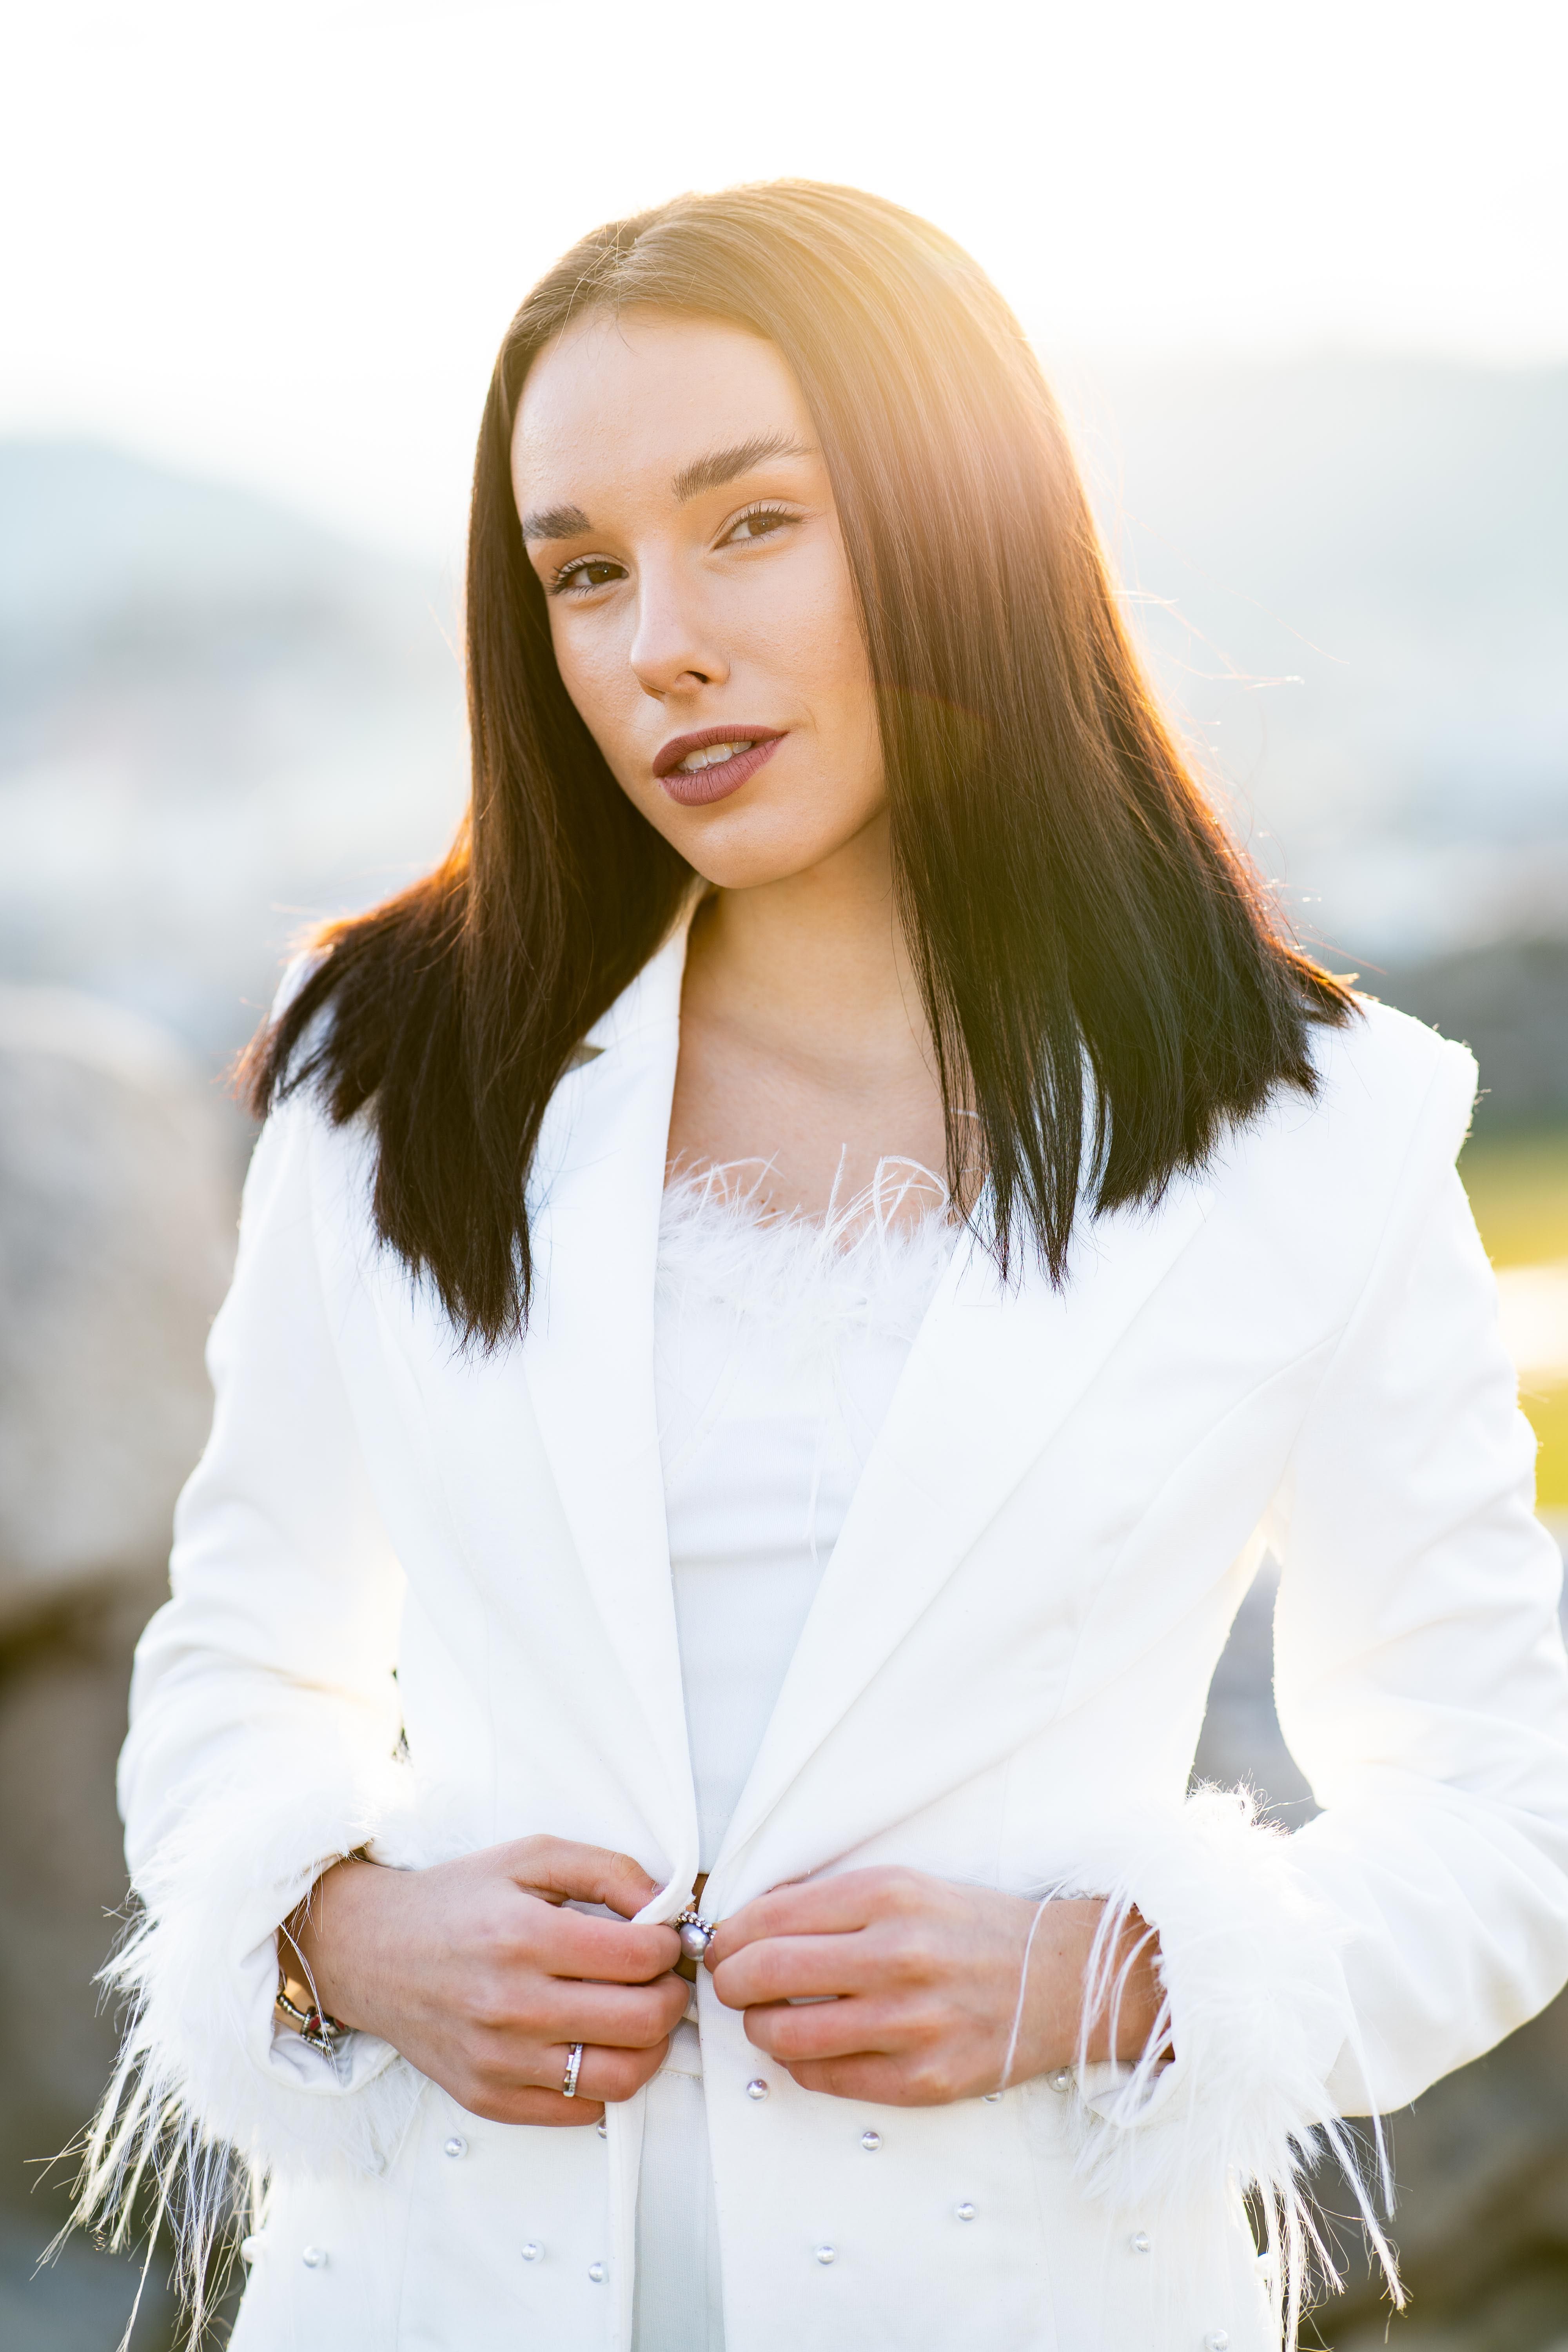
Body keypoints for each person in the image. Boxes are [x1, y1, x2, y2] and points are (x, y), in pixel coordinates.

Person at [80, 182, 1568, 2352]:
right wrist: (343, 1932)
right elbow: (235, 1661)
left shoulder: (1320, 1127)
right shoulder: (389, 1060)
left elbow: (1511, 1802)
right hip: (426, 2286)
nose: (656, 644)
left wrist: (1104, 1979)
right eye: (582, 572)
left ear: (959, 525)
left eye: (753, 523)